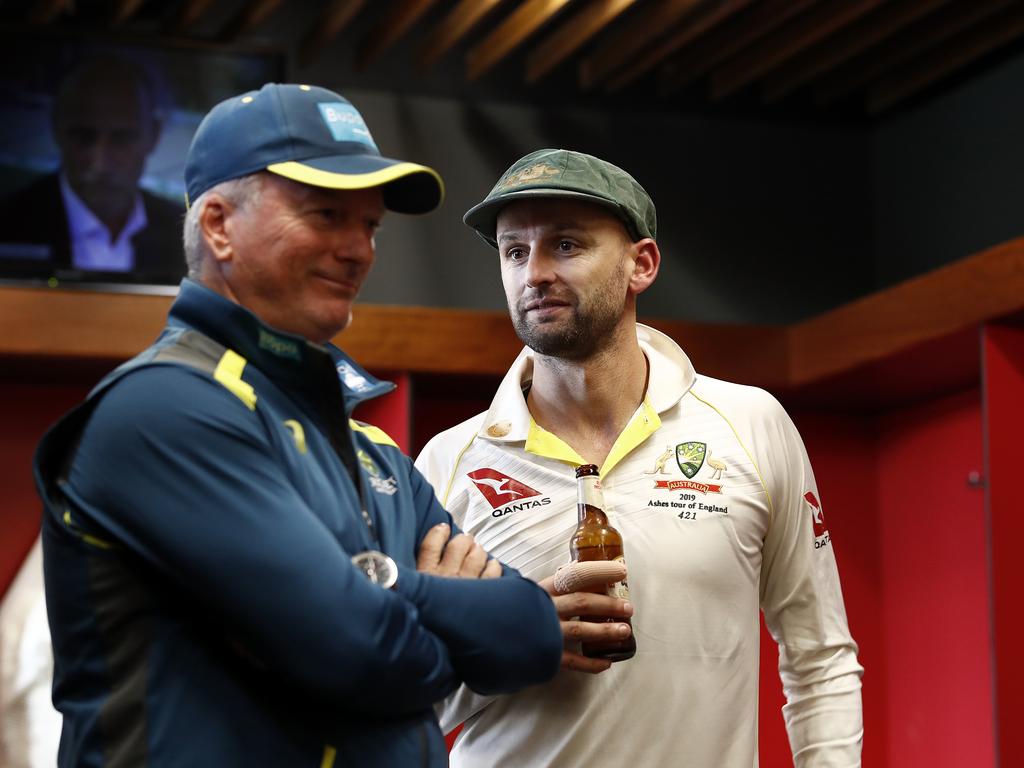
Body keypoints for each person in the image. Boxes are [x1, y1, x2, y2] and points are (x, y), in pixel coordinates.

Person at [32, 84, 562, 767]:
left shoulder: (368, 445)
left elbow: (530, 638)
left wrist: (385, 587)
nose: (358, 250)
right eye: (326, 214)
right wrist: (446, 619)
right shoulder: (164, 409)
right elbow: (357, 652)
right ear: (219, 225)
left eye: (369, 225)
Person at [415, 149, 864, 766]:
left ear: (641, 264)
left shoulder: (749, 422)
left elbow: (821, 658)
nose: (534, 272)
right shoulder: (449, 462)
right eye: (514, 251)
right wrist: (513, 636)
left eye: (566, 245)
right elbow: (402, 698)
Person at [0, 55, 185, 283]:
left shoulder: (184, 234)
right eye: (83, 137)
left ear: (154, 134)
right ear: (57, 128)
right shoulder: (9, 221)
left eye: (122, 139)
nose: (100, 163)